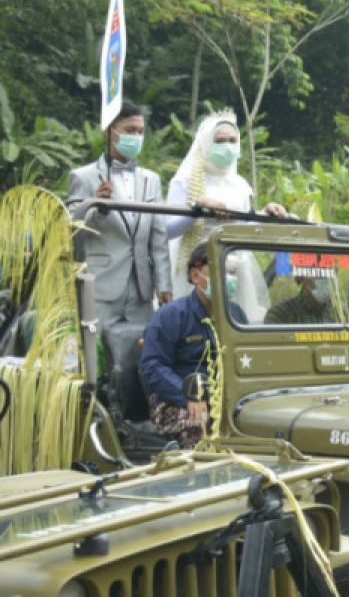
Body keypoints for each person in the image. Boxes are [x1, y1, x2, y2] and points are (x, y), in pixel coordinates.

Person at [66, 102, 172, 334]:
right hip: (102, 283)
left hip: (142, 287)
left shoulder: (150, 180)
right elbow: (71, 229)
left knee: (140, 348)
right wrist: (97, 208)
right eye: (129, 130)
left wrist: (163, 283)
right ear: (109, 132)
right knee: (97, 351)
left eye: (140, 131)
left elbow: (159, 237)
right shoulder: (84, 177)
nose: (136, 136)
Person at [164, 111, 287, 301]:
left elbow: (243, 228)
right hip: (196, 267)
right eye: (220, 141)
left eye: (232, 140)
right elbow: (167, 230)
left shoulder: (240, 185)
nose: (227, 146)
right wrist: (198, 209)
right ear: (205, 143)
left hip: (236, 265)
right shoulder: (185, 181)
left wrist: (265, 214)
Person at [140, 242, 245, 448]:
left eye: (231, 272)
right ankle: (204, 477)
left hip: (226, 398)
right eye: (218, 270)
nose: (228, 278)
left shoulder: (237, 315)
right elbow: (152, 365)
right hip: (176, 401)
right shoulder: (171, 316)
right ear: (196, 277)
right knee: (202, 425)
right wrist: (187, 395)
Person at [264, 276, 337, 325]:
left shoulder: (339, 314)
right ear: (302, 277)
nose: (326, 280)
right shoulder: (279, 315)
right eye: (318, 274)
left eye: (330, 272)